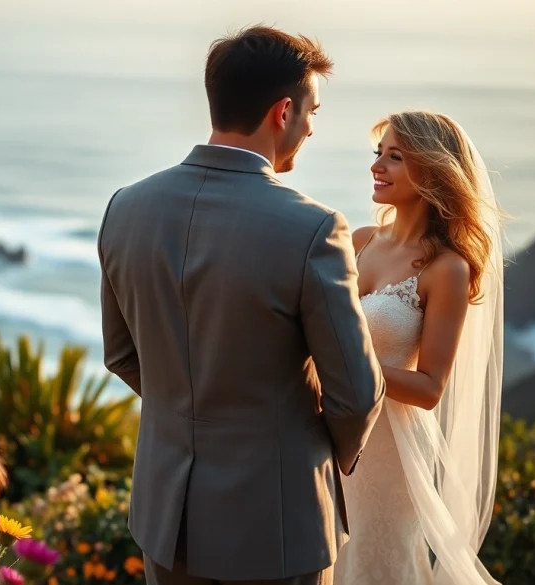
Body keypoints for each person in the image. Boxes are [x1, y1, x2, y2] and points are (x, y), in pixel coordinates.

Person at [97, 25, 384, 585]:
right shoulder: (314, 228)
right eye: (312, 113)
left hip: (165, 518)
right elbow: (355, 393)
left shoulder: (124, 208)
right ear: (283, 113)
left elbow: (121, 355)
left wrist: (191, 414)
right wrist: (304, 455)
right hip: (277, 524)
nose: (309, 129)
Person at [333, 110, 505, 585]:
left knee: (375, 564)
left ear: (431, 171)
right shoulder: (360, 240)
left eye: (395, 157)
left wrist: (346, 364)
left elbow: (430, 388)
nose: (377, 166)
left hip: (389, 450)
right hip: (329, 432)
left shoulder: (447, 268)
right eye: (378, 154)